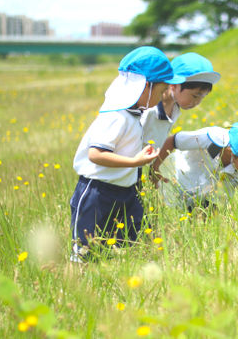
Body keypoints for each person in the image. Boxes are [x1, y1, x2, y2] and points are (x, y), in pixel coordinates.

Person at [70, 46, 185, 263]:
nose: (161, 98)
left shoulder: (133, 115)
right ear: (144, 86)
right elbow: (96, 154)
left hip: (125, 191)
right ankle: (72, 286)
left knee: (135, 244)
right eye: (160, 92)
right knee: (85, 252)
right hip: (97, 192)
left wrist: (142, 157)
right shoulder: (115, 115)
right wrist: (134, 161)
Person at [152, 120, 238, 212]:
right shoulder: (210, 138)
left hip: (209, 199)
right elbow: (173, 141)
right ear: (234, 153)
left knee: (207, 217)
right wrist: (155, 169)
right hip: (180, 179)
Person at [140, 52, 220, 152]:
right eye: (195, 96)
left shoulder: (175, 108)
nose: (197, 102)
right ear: (174, 85)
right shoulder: (149, 108)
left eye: (203, 97)